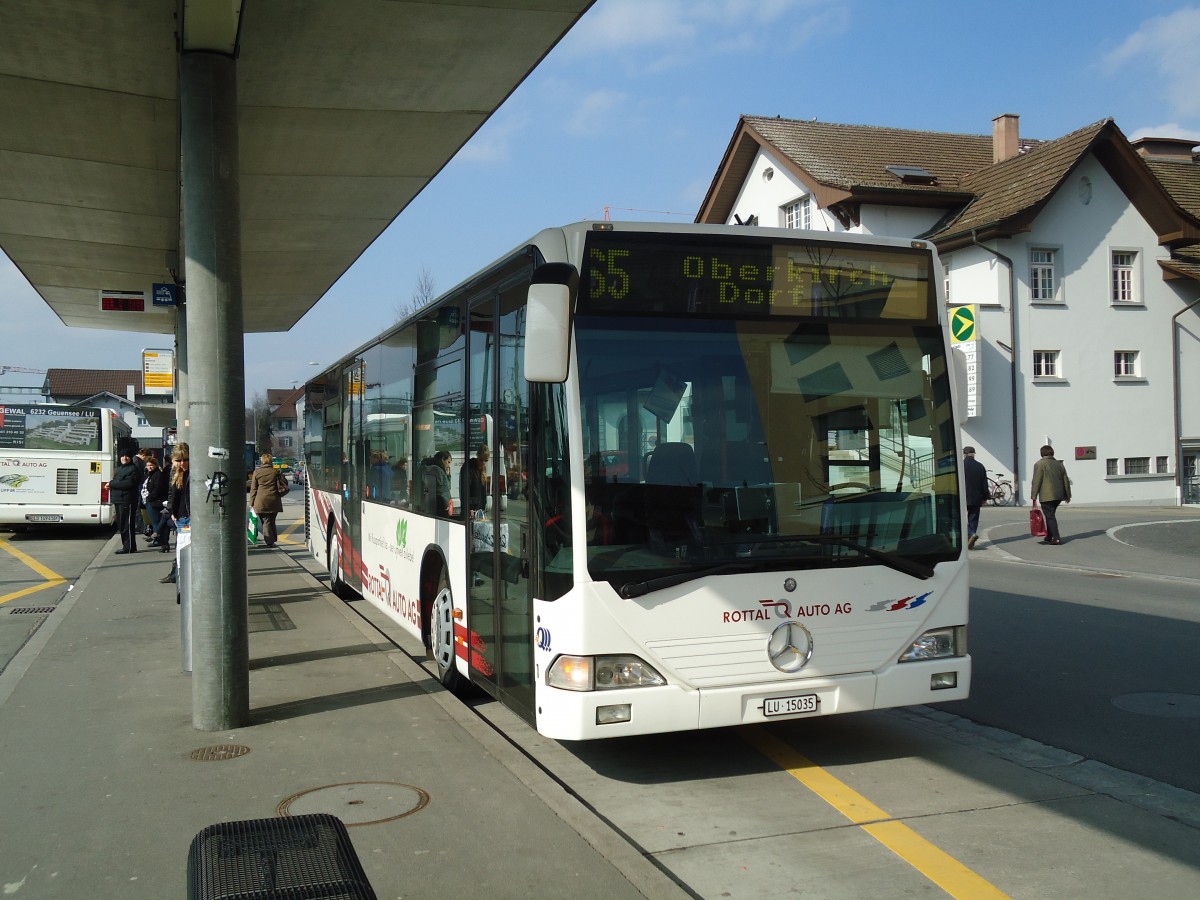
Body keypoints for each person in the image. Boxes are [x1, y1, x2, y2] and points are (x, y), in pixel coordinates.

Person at [160, 444, 191, 583]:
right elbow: (171, 493)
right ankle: (180, 577)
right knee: (181, 548)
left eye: (185, 460)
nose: (182, 463)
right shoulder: (174, 473)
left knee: (188, 550)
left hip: (191, 516)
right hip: (180, 516)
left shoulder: (195, 473)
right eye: (179, 460)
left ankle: (182, 579)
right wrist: (172, 510)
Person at [1031, 444, 1071, 545]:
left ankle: (1056, 538)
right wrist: (1068, 495)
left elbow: (1037, 481)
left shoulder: (1039, 464)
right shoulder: (1059, 464)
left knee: (1050, 516)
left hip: (1047, 495)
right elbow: (1065, 480)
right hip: (1058, 495)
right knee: (1051, 515)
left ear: (1041, 453)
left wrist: (1034, 495)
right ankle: (1049, 536)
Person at [248, 452, 286, 547]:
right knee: (272, 520)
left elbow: (253, 489)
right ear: (270, 461)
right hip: (274, 500)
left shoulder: (257, 472)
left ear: (262, 461)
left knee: (266, 521)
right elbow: (284, 483)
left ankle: (269, 541)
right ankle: (273, 538)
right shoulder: (276, 471)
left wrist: (251, 502)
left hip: (261, 501)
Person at [110, 447, 141, 554]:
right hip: (118, 499)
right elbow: (118, 482)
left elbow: (129, 483)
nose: (124, 458)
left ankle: (129, 546)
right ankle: (127, 545)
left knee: (127, 524)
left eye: (127, 456)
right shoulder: (119, 469)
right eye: (122, 456)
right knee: (121, 524)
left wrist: (111, 484)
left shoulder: (133, 469)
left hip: (127, 500)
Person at [141, 454, 171, 552]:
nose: (149, 467)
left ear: (155, 465)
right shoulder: (149, 474)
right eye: (148, 465)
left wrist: (149, 498)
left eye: (151, 465)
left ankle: (160, 541)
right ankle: (160, 541)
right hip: (150, 502)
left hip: (155, 502)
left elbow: (157, 488)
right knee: (157, 522)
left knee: (157, 522)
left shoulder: (157, 474)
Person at [961, 446, 989, 550]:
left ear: (964, 454)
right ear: (974, 454)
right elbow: (984, 484)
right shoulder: (980, 466)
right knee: (973, 518)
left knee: (962, 519)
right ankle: (971, 534)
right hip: (976, 498)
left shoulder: (961, 466)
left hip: (963, 498)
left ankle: (966, 538)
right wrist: (985, 497)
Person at [461, 444, 489, 518]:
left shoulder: (482, 470)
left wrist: (484, 505)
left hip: (479, 507)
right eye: (481, 460)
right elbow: (465, 489)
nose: (483, 463)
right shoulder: (469, 467)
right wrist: (468, 507)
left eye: (485, 460)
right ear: (478, 456)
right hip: (471, 507)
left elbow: (482, 491)